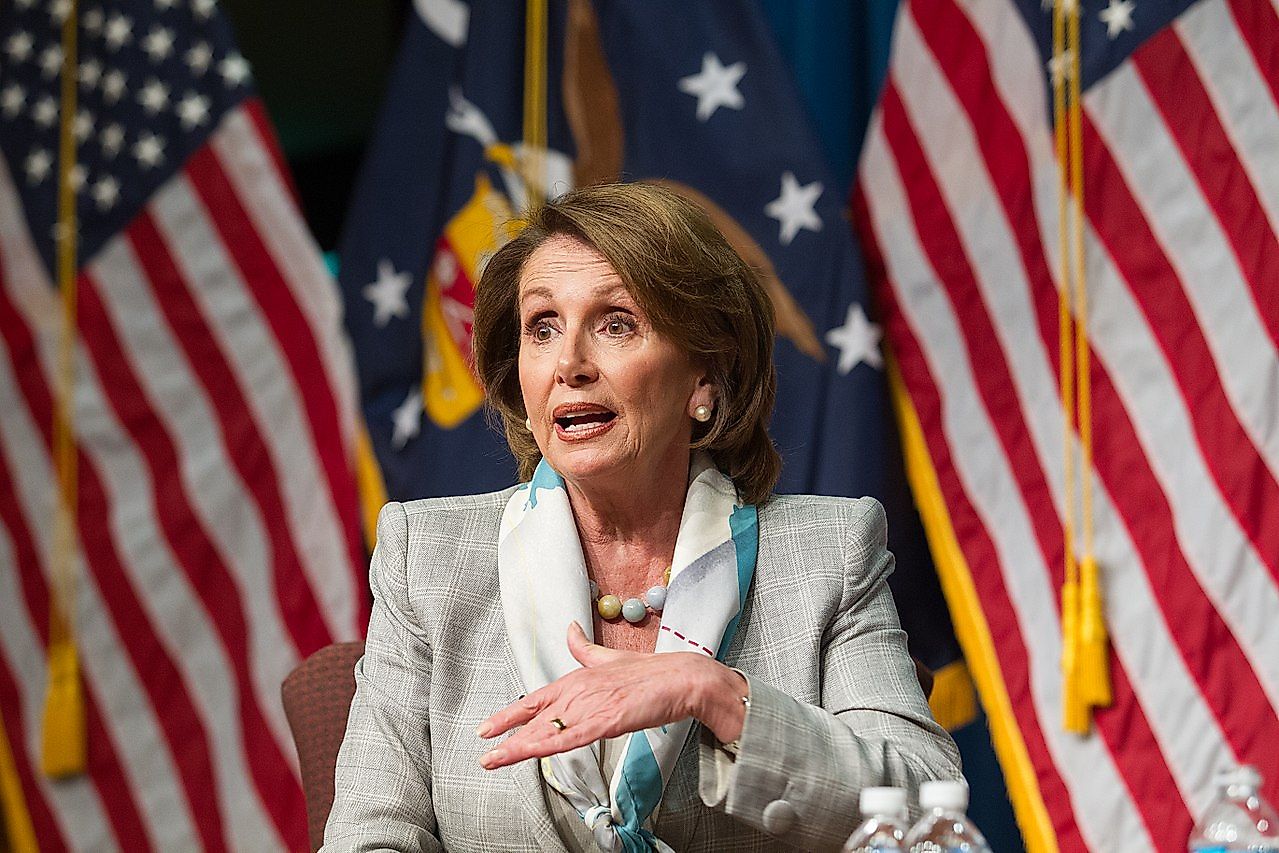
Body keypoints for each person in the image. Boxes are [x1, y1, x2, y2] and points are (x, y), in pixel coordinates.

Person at [322, 183, 961, 852]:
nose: (568, 364)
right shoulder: (425, 557)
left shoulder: (827, 552)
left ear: (704, 377)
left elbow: (926, 822)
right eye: (543, 327)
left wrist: (713, 692)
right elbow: (371, 834)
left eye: (615, 323)